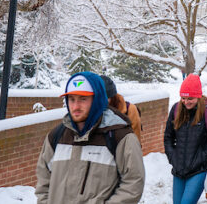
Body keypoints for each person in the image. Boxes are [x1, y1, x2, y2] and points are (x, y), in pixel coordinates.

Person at [35, 72, 145, 204]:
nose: (76, 106)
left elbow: (133, 182)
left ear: (97, 99)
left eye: (83, 99)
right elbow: (43, 181)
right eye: (71, 99)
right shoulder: (56, 136)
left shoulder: (120, 137)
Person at [165, 74, 207, 204]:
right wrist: (172, 157)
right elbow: (168, 137)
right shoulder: (176, 109)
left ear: (198, 96)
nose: (186, 102)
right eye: (183, 98)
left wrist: (203, 158)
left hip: (199, 170)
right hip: (179, 170)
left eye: (190, 98)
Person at [102, 74, 143, 143]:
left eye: (105, 98)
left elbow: (135, 138)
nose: (101, 102)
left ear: (112, 97)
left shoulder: (130, 109)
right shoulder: (90, 109)